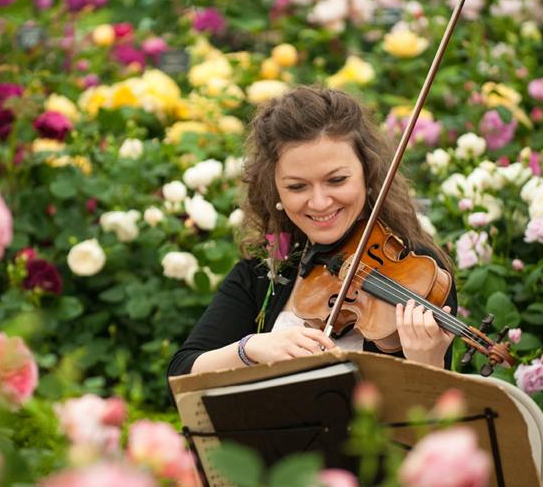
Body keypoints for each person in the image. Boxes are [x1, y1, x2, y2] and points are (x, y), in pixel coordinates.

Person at [168, 86, 458, 377]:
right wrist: (250, 348)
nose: (319, 202)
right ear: (275, 190)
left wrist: (428, 362)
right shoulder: (266, 271)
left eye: (336, 180)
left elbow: (433, 418)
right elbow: (181, 374)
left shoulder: (419, 272)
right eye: (297, 186)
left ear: (368, 174)